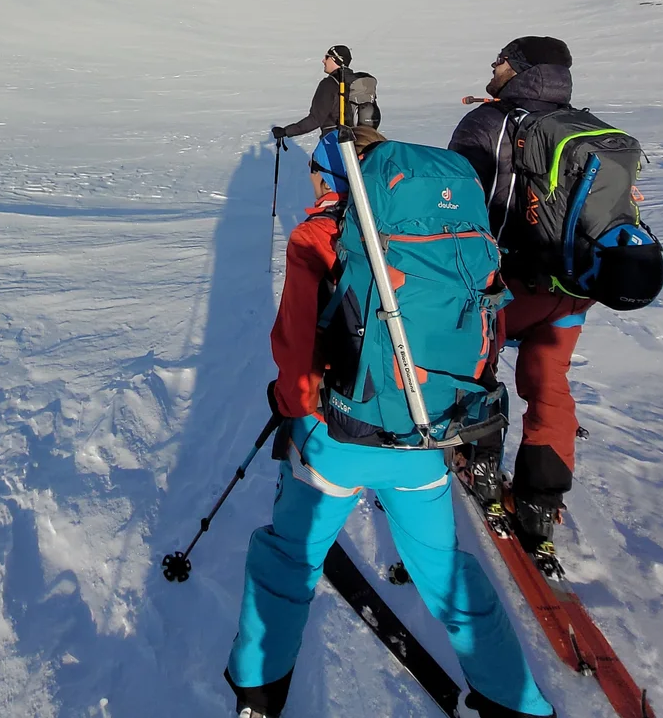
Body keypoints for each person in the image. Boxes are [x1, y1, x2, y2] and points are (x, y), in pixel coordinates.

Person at [225, 133, 553, 718]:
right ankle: (517, 703)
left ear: (329, 179)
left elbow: (296, 359)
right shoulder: (446, 239)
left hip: (337, 443)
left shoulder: (318, 237)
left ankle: (257, 691)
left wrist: (289, 405)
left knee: (289, 559)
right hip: (425, 439)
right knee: (445, 569)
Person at [449, 35, 590, 574]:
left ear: (521, 69)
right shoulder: (584, 126)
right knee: (550, 386)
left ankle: (481, 466)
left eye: (501, 59)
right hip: (575, 288)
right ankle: (540, 503)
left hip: (507, 283)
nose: (493, 65)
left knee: (476, 370)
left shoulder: (488, 123)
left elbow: (457, 206)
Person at [270, 46, 370, 141]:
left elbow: (315, 119)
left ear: (335, 59)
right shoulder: (358, 83)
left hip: (335, 141)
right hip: (362, 139)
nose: (323, 61)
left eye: (327, 57)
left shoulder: (329, 84)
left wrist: (286, 131)